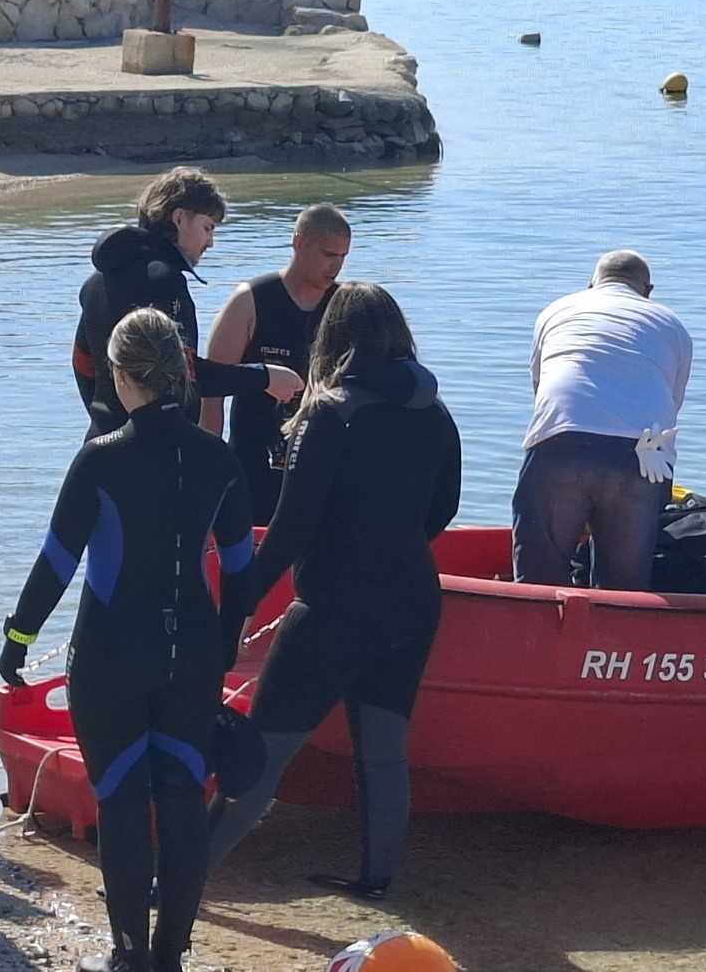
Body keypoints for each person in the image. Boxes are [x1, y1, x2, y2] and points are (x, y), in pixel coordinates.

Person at [0, 307, 255, 972]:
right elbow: (239, 569)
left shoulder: (101, 458)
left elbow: (56, 562)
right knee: (182, 799)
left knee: (120, 800)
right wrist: (225, 644)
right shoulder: (219, 458)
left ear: (118, 375)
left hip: (110, 655)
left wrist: (18, 638)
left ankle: (129, 955)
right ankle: (171, 957)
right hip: (192, 654)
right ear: (181, 370)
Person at [206, 282, 461, 900]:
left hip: (333, 608)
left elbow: (290, 529)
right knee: (383, 753)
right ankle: (376, 881)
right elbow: (444, 510)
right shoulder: (435, 411)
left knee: (261, 755)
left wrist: (237, 606)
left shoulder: (330, 413)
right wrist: (390, 541)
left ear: (333, 340)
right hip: (411, 601)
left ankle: (174, 881)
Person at [71, 166, 302, 440]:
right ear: (179, 218)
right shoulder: (164, 281)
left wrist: (103, 415)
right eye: (207, 227)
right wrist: (264, 377)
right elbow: (186, 372)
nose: (210, 242)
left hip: (103, 438)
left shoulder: (97, 281)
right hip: (157, 444)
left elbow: (83, 363)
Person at [512, 250, 692, 591]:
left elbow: (540, 387)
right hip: (643, 454)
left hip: (563, 438)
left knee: (538, 582)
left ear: (591, 283)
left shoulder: (557, 310)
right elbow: (672, 404)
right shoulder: (671, 324)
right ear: (648, 291)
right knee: (623, 590)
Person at [199, 203, 352, 524]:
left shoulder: (344, 307)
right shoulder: (250, 300)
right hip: (254, 462)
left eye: (342, 256)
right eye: (328, 254)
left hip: (320, 464)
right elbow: (211, 391)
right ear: (299, 243)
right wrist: (208, 467)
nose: (336, 266)